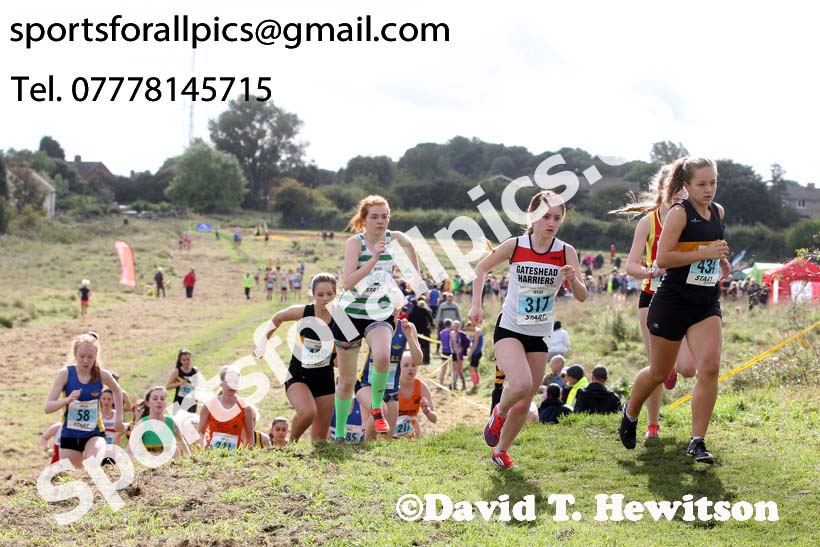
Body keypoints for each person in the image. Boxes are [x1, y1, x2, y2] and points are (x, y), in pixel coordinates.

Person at [619, 157, 730, 464]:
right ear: (686, 185)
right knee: (659, 371)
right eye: (702, 184)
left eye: (713, 183)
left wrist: (719, 259)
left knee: (708, 368)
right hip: (672, 302)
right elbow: (664, 258)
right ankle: (630, 412)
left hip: (706, 303)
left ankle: (697, 441)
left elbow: (713, 243)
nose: (709, 190)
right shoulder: (679, 214)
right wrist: (703, 252)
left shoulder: (718, 212)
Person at [470, 189, 588, 468]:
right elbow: (480, 270)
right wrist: (476, 305)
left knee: (525, 400)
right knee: (520, 385)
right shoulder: (516, 245)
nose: (551, 222)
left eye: (557, 218)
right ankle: (498, 412)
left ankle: (501, 450)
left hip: (539, 333)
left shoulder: (565, 251)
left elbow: (582, 297)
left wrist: (574, 281)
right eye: (546, 216)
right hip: (510, 328)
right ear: (533, 217)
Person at [616, 163, 697, 439]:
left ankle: (673, 364)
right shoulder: (648, 222)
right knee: (656, 368)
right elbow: (630, 266)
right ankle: (652, 425)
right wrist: (651, 270)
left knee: (687, 369)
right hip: (652, 297)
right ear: (662, 190)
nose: (678, 196)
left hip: (685, 298)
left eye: (683, 191)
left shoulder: (691, 220)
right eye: (673, 190)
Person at [331, 195, 420, 440]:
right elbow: (347, 283)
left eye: (385, 216)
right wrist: (373, 259)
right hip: (350, 314)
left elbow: (410, 242)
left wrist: (416, 274)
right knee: (347, 381)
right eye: (375, 217)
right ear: (364, 220)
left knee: (382, 357)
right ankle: (339, 433)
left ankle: (377, 408)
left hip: (379, 312)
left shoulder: (393, 239)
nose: (381, 221)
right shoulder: (355, 243)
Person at [257, 273, 338, 444]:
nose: (325, 299)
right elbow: (278, 317)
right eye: (320, 295)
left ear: (335, 294)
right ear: (312, 294)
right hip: (299, 377)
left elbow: (343, 355)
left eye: (329, 294)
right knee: (308, 412)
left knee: (320, 440)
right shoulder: (305, 311)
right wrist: (262, 343)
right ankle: (291, 445)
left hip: (325, 379)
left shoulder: (341, 319)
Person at [44, 333, 125, 468]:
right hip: (70, 433)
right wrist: (67, 400)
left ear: (96, 356)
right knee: (74, 475)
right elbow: (48, 407)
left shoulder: (102, 375)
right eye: (82, 356)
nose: (86, 361)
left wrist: (119, 417)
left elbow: (117, 391)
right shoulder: (65, 374)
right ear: (75, 354)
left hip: (93, 432)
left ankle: (106, 464)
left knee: (99, 456)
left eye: (90, 357)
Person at [356, 317, 416, 440]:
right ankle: (366, 447)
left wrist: (410, 337)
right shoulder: (371, 323)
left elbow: (419, 360)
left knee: (387, 437)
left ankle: (376, 456)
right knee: (381, 409)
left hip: (390, 388)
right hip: (366, 384)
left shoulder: (406, 327)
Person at [198, 366, 254, 450]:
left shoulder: (246, 408)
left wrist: (244, 456)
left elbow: (250, 438)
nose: (232, 385)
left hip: (235, 458)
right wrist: (205, 446)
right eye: (229, 381)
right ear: (221, 383)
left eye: (235, 382)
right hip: (212, 456)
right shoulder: (208, 406)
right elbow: (200, 433)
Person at [131, 386, 190, 458]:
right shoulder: (141, 424)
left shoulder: (171, 423)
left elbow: (182, 442)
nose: (159, 401)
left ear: (166, 402)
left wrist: (190, 459)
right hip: (150, 464)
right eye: (155, 399)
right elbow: (130, 450)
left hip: (170, 465)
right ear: (147, 403)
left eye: (162, 399)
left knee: (176, 450)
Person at [396, 345, 437, 439]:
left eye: (414, 365)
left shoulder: (422, 387)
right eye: (406, 365)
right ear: (399, 367)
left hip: (412, 435)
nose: (410, 368)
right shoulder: (391, 386)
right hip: (390, 435)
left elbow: (434, 419)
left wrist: (426, 410)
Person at [166, 348, 200, 413]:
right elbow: (168, 386)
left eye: (188, 359)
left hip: (191, 402)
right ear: (180, 361)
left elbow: (199, 385)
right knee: (177, 422)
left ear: (191, 359)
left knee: (190, 421)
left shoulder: (195, 370)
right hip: (179, 402)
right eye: (184, 360)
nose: (186, 362)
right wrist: (179, 383)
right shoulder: (177, 371)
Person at [407, 297, 434, 364]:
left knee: (417, 346)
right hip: (425, 330)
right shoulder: (423, 310)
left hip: (416, 331)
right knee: (426, 345)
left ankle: (419, 360)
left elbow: (409, 322)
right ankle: (427, 360)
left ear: (412, 304)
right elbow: (430, 317)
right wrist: (431, 324)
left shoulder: (411, 313)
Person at [449, 320, 470, 391]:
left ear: (459, 327)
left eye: (457, 326)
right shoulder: (452, 333)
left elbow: (468, 341)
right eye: (454, 326)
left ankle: (462, 385)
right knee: (455, 370)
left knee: (459, 370)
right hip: (454, 354)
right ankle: (453, 385)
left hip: (459, 354)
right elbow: (454, 345)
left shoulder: (462, 334)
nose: (455, 327)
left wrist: (463, 349)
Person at [464, 321, 484, 391]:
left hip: (476, 353)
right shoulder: (477, 331)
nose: (469, 330)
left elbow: (475, 344)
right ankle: (477, 383)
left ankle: (474, 385)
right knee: (475, 368)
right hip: (477, 352)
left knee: (472, 369)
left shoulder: (477, 331)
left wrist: (470, 354)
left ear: (470, 326)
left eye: (468, 328)